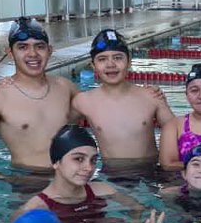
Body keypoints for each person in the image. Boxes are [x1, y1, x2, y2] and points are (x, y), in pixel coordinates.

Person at [0, 18, 79, 175]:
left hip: (72, 179)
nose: (33, 54)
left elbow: (95, 112)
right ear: (10, 53)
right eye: (23, 47)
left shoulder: (65, 87)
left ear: (49, 50)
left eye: (39, 47)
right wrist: (5, 181)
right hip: (29, 185)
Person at [12, 126, 143, 223]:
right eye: (79, 159)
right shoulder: (36, 208)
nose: (89, 168)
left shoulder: (102, 190)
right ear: (56, 162)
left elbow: (137, 207)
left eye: (93, 160)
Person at [72, 29, 174, 171]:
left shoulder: (151, 96)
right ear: (93, 65)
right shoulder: (83, 101)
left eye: (118, 58)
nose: (110, 64)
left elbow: (177, 133)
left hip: (151, 171)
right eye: (102, 59)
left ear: (129, 62)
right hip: (113, 174)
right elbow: (60, 134)